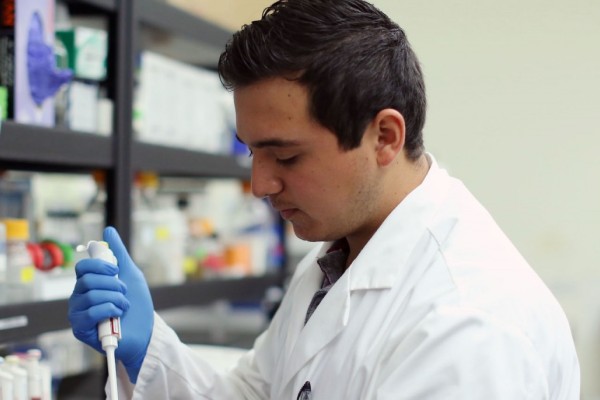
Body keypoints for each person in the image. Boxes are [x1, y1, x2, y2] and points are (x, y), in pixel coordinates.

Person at [68, 0, 580, 398]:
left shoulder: (467, 324)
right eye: (252, 153)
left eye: (286, 157)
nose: (261, 185)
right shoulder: (336, 256)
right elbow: (256, 395)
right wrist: (147, 347)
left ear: (384, 136)